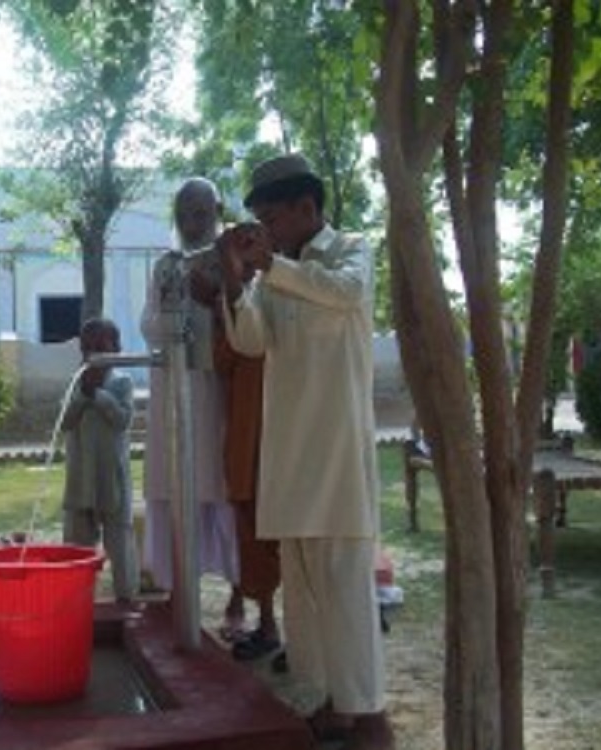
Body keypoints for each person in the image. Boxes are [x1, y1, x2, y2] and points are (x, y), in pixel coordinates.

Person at [219, 154, 395, 749]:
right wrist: (235, 281)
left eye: (271, 217)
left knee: (345, 589)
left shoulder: (351, 251)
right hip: (289, 459)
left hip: (337, 455)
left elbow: (346, 294)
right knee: (303, 591)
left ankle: (370, 716)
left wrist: (270, 265)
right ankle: (329, 704)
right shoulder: (274, 274)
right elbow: (250, 341)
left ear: (306, 207)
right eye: (260, 221)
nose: (265, 230)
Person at [140, 177, 244, 636]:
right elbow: (148, 322)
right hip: (171, 391)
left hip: (216, 392)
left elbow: (248, 319)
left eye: (200, 214)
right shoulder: (165, 265)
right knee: (174, 491)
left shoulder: (235, 258)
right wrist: (171, 318)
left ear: (217, 212)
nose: (191, 224)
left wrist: (214, 298)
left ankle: (240, 598)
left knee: (223, 491)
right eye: (183, 215)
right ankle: (179, 592)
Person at [192, 225, 284, 666]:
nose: (239, 267)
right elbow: (223, 358)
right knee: (251, 526)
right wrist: (219, 307)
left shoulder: (277, 293)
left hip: (279, 435)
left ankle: (297, 636)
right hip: (245, 435)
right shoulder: (234, 303)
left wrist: (227, 296)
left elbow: (257, 345)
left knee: (287, 536)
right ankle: (266, 623)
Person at [61, 317, 139, 603]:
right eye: (87, 347)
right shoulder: (76, 382)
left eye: (100, 346)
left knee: (120, 541)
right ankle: (76, 600)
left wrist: (99, 395)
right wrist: (84, 394)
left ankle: (127, 596)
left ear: (116, 349)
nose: (92, 353)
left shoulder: (121, 382)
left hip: (111, 478)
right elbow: (65, 422)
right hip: (81, 478)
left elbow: (123, 420)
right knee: (77, 545)